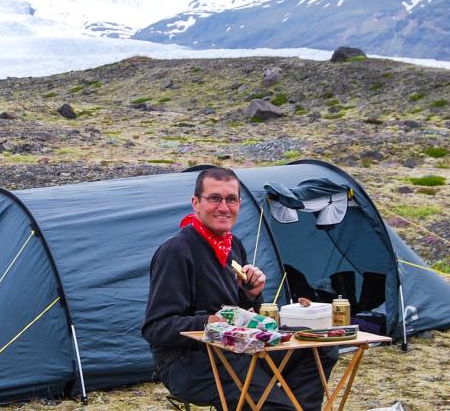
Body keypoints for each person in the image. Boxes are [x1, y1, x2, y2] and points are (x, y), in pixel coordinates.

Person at [142, 167, 337, 410]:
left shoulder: (233, 245)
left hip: (237, 348)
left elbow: (238, 312)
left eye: (231, 199)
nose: (223, 207)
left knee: (319, 350)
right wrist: (209, 322)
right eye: (214, 198)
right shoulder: (177, 251)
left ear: (239, 204)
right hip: (189, 362)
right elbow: (155, 329)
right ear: (196, 203)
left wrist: (250, 295)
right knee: (276, 405)